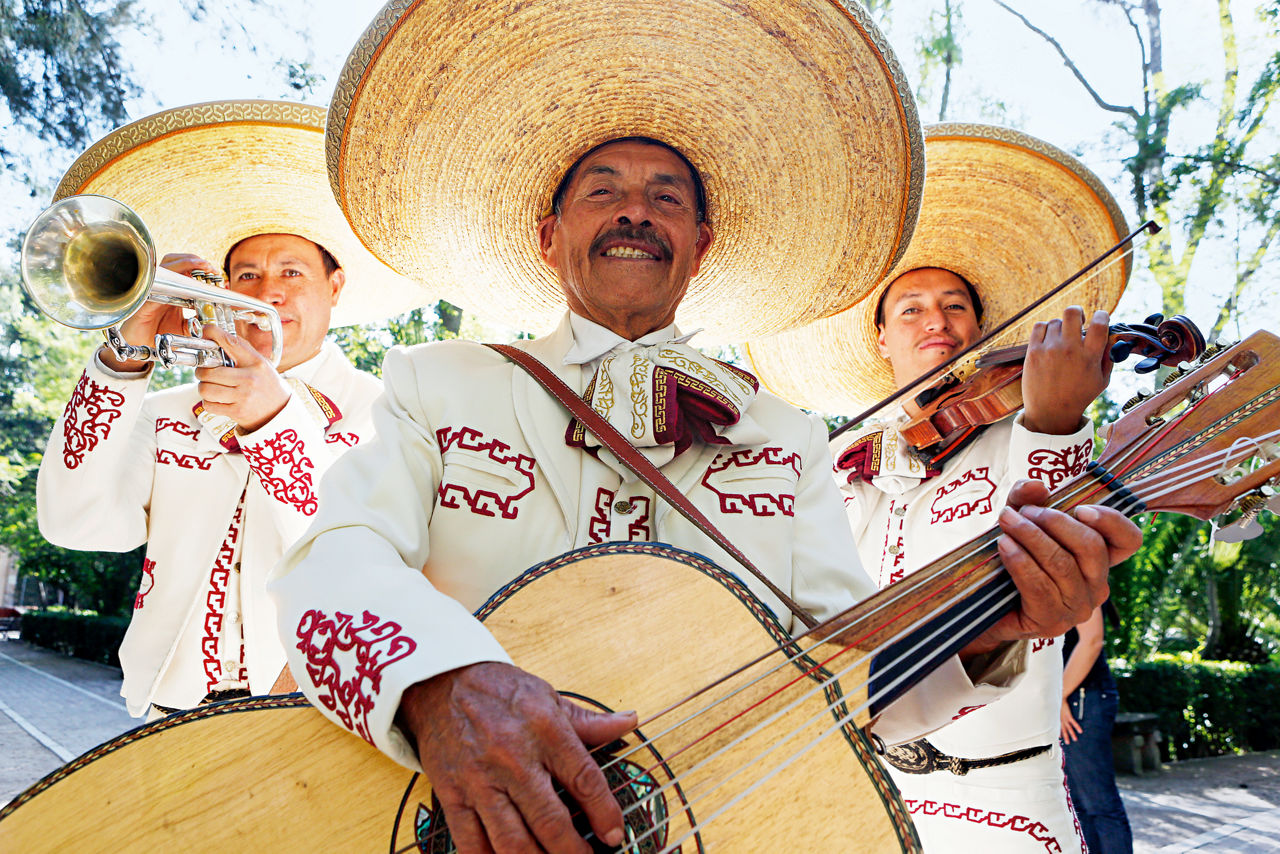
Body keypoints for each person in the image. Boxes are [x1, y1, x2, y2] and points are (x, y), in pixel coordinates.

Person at [272, 8, 1143, 846]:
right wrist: (438, 687)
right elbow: (332, 560)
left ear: (701, 238)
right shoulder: (441, 382)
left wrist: (992, 632)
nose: (635, 211)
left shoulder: (790, 436)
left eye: (665, 197)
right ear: (550, 235)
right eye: (602, 190)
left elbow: (849, 677)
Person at [747, 124, 1134, 852]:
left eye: (955, 304)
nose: (937, 319)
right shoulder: (834, 459)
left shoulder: (1025, 431)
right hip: (868, 790)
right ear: (882, 339)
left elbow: (1056, 528)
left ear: (983, 328)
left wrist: (1055, 417)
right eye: (911, 308)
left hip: (1011, 799)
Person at [35, 100, 428, 718]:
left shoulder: (387, 409)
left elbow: (357, 552)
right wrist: (126, 353)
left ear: (335, 287)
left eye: (291, 271)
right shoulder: (166, 409)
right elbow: (75, 524)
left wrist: (274, 420)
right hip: (168, 711)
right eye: (244, 274)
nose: (267, 292)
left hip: (319, 715)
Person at [1062, 605, 1134, 854]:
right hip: (1068, 699)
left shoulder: (1083, 574)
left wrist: (1057, 697)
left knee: (1099, 805)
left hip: (1081, 699)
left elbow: (1091, 640)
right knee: (1079, 805)